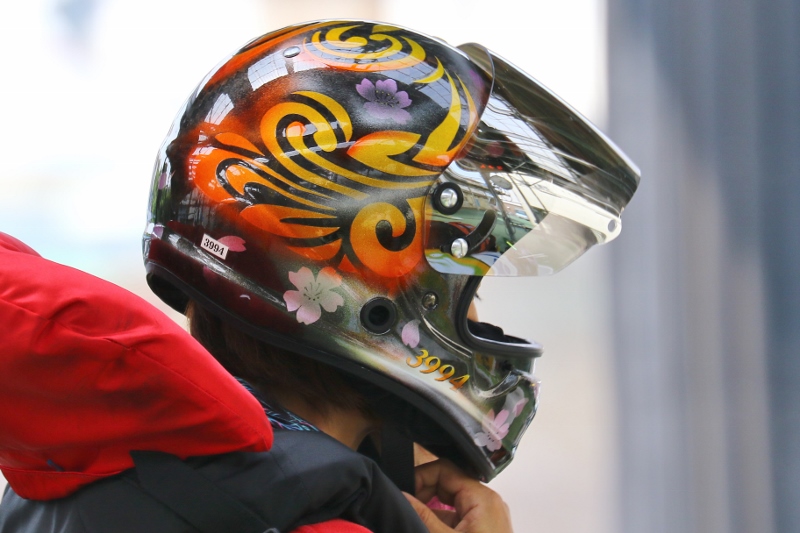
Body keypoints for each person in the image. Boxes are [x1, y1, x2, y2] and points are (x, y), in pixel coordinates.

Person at [0, 19, 639, 532]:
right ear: (372, 291)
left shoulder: (83, 474)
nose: (478, 317)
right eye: (468, 282)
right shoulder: (293, 514)